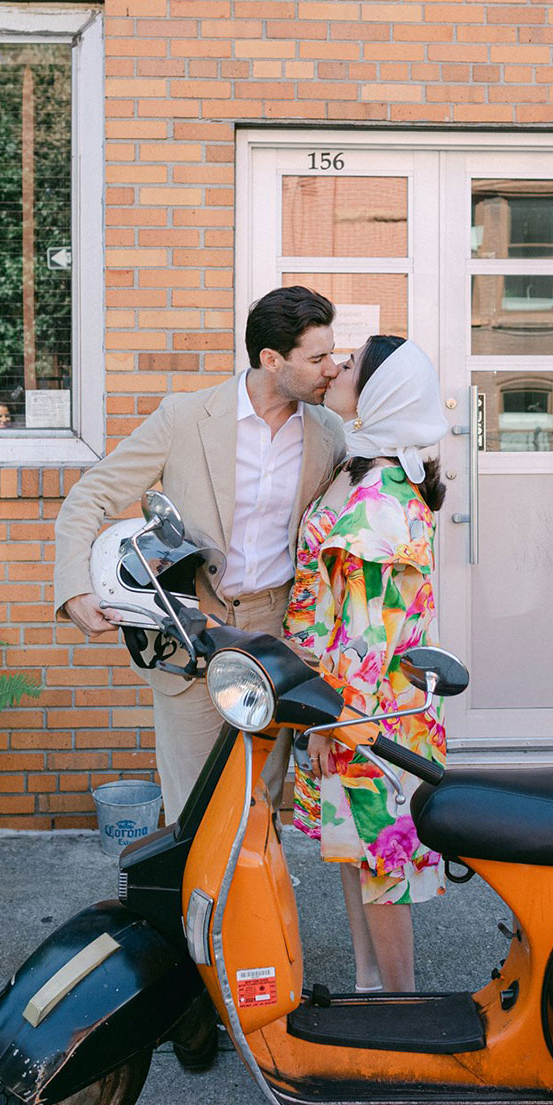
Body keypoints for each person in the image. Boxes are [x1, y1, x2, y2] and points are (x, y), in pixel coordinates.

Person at [54, 287, 345, 824]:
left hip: (273, 638)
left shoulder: (329, 433)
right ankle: (199, 910)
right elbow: (89, 497)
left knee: (259, 807)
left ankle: (250, 909)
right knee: (194, 814)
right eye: (318, 357)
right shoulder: (184, 417)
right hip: (188, 634)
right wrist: (75, 588)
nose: (333, 368)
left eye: (333, 353)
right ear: (272, 360)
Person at [285, 335, 450, 995]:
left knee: (383, 866)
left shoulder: (378, 498)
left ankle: (400, 1007)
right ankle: (367, 987)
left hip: (365, 714)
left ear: (380, 392)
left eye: (350, 365)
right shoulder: (371, 472)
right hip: (362, 708)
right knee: (355, 853)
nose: (337, 367)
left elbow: (362, 635)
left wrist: (331, 722)